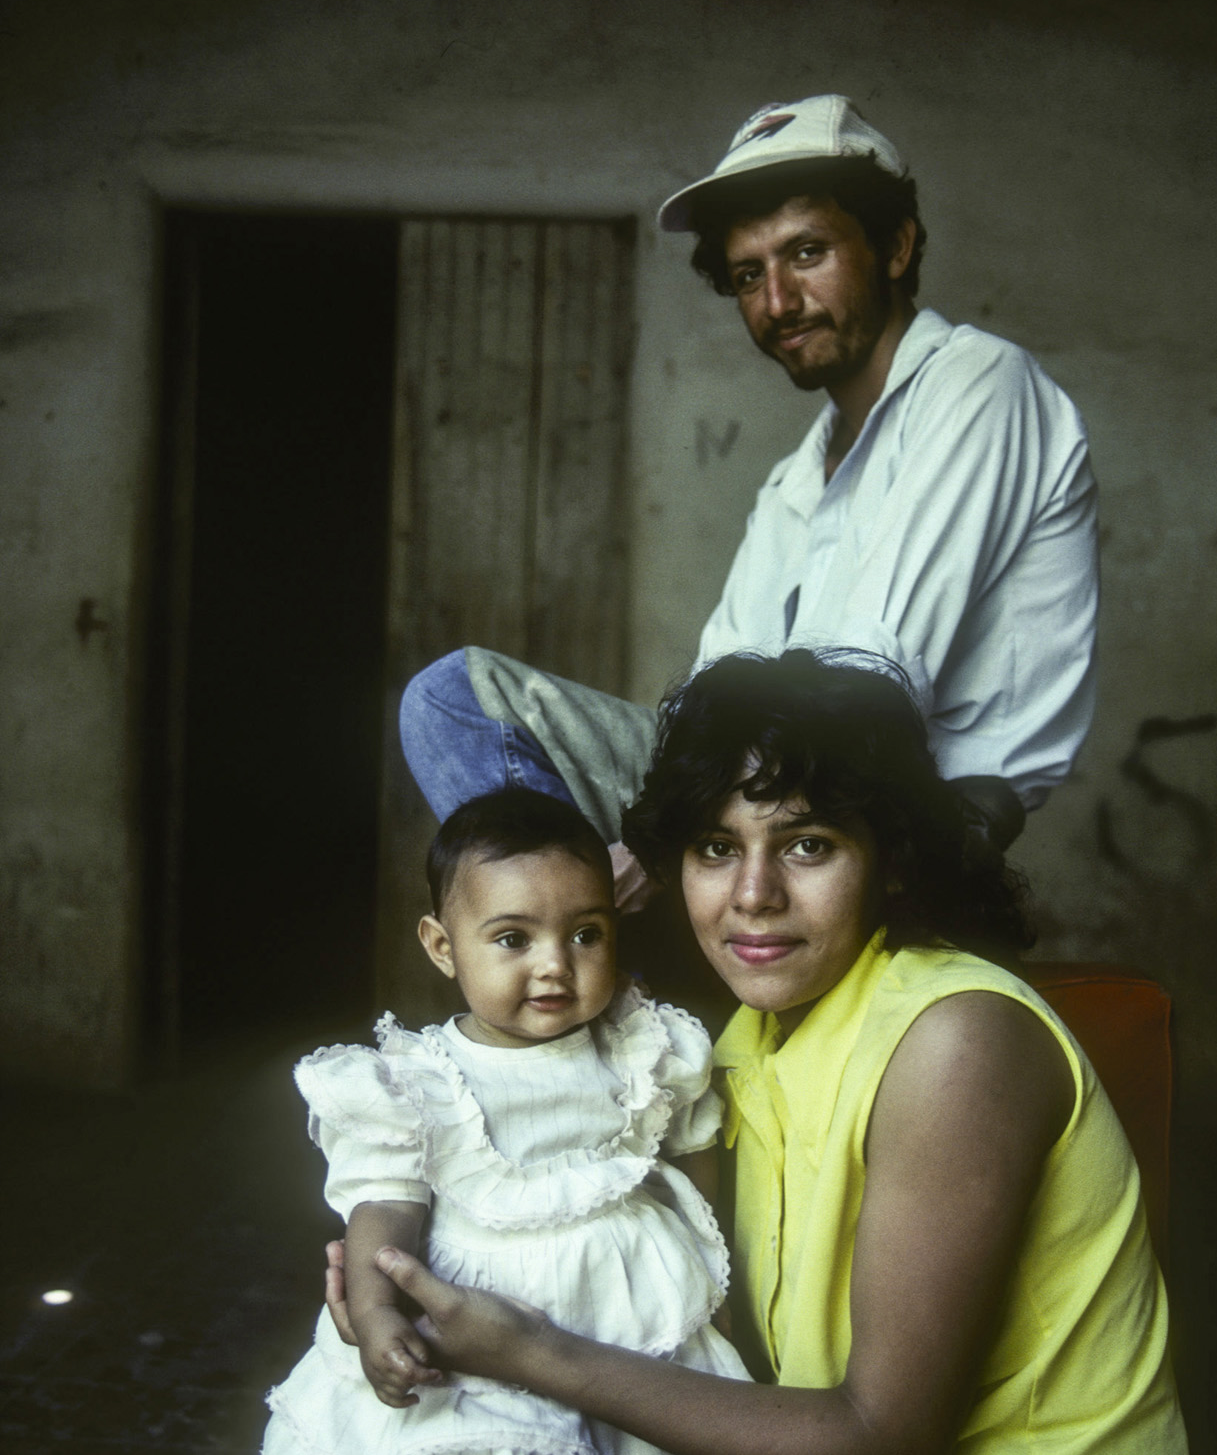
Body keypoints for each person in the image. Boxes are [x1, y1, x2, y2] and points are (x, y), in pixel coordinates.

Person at [360, 650, 1196, 1455]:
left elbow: (884, 1450)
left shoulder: (954, 1037)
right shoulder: (745, 1047)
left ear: (889, 857)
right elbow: (676, 1304)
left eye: (805, 844)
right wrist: (395, 1276)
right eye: (714, 847)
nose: (751, 895)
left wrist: (531, 1352)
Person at [253, 788, 816, 1455]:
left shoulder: (643, 1045)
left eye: (585, 934)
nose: (555, 966)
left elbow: (699, 1163)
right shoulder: (419, 1079)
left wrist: (718, 1290)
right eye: (512, 939)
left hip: (631, 1313)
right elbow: (383, 1211)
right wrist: (376, 1315)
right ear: (442, 945)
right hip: (490, 1324)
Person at [400, 93, 1099, 895]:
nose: (778, 302)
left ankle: (606, 930)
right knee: (450, 700)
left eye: (807, 253)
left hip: (902, 807)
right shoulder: (799, 474)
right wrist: (668, 816)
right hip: (767, 773)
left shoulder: (980, 383)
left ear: (896, 246)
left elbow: (867, 681)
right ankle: (576, 931)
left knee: (794, 741)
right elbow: (715, 689)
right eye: (748, 275)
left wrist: (659, 842)